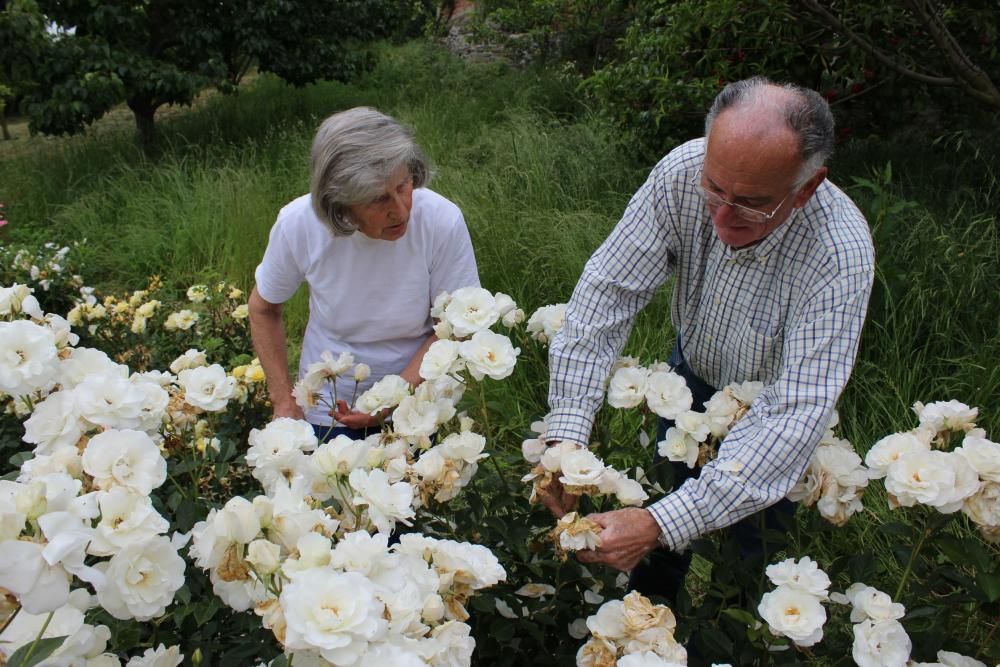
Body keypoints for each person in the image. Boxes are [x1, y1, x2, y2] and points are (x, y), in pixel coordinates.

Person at [540, 77, 875, 601]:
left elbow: (794, 413)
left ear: (806, 187)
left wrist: (663, 522)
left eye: (752, 204)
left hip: (772, 414)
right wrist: (565, 437)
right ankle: (645, 622)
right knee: (658, 524)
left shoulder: (839, 253)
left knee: (750, 558)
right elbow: (606, 297)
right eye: (714, 189)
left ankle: (731, 626)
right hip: (691, 374)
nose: (721, 216)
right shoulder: (680, 174)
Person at [249, 107, 480, 441]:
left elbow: (455, 329)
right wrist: (284, 402)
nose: (401, 210)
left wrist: (393, 398)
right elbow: (264, 308)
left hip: (422, 402)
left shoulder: (441, 221)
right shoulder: (299, 225)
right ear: (339, 204)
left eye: (403, 186)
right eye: (377, 200)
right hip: (328, 407)